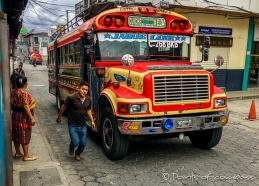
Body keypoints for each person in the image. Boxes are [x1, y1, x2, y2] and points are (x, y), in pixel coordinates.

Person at [56, 81, 95, 161]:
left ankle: (77, 153)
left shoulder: (88, 99)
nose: (84, 91)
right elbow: (63, 107)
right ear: (78, 88)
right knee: (75, 141)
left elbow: (88, 110)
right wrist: (59, 117)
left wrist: (92, 121)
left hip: (83, 125)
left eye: (86, 90)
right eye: (83, 89)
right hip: (73, 125)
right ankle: (71, 147)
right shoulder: (71, 97)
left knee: (83, 143)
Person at [11, 76, 37, 161]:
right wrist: (31, 118)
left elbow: (11, 104)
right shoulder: (23, 93)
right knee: (25, 134)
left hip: (15, 115)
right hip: (23, 117)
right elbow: (26, 106)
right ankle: (26, 155)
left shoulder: (13, 91)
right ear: (26, 84)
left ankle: (18, 152)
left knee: (16, 134)